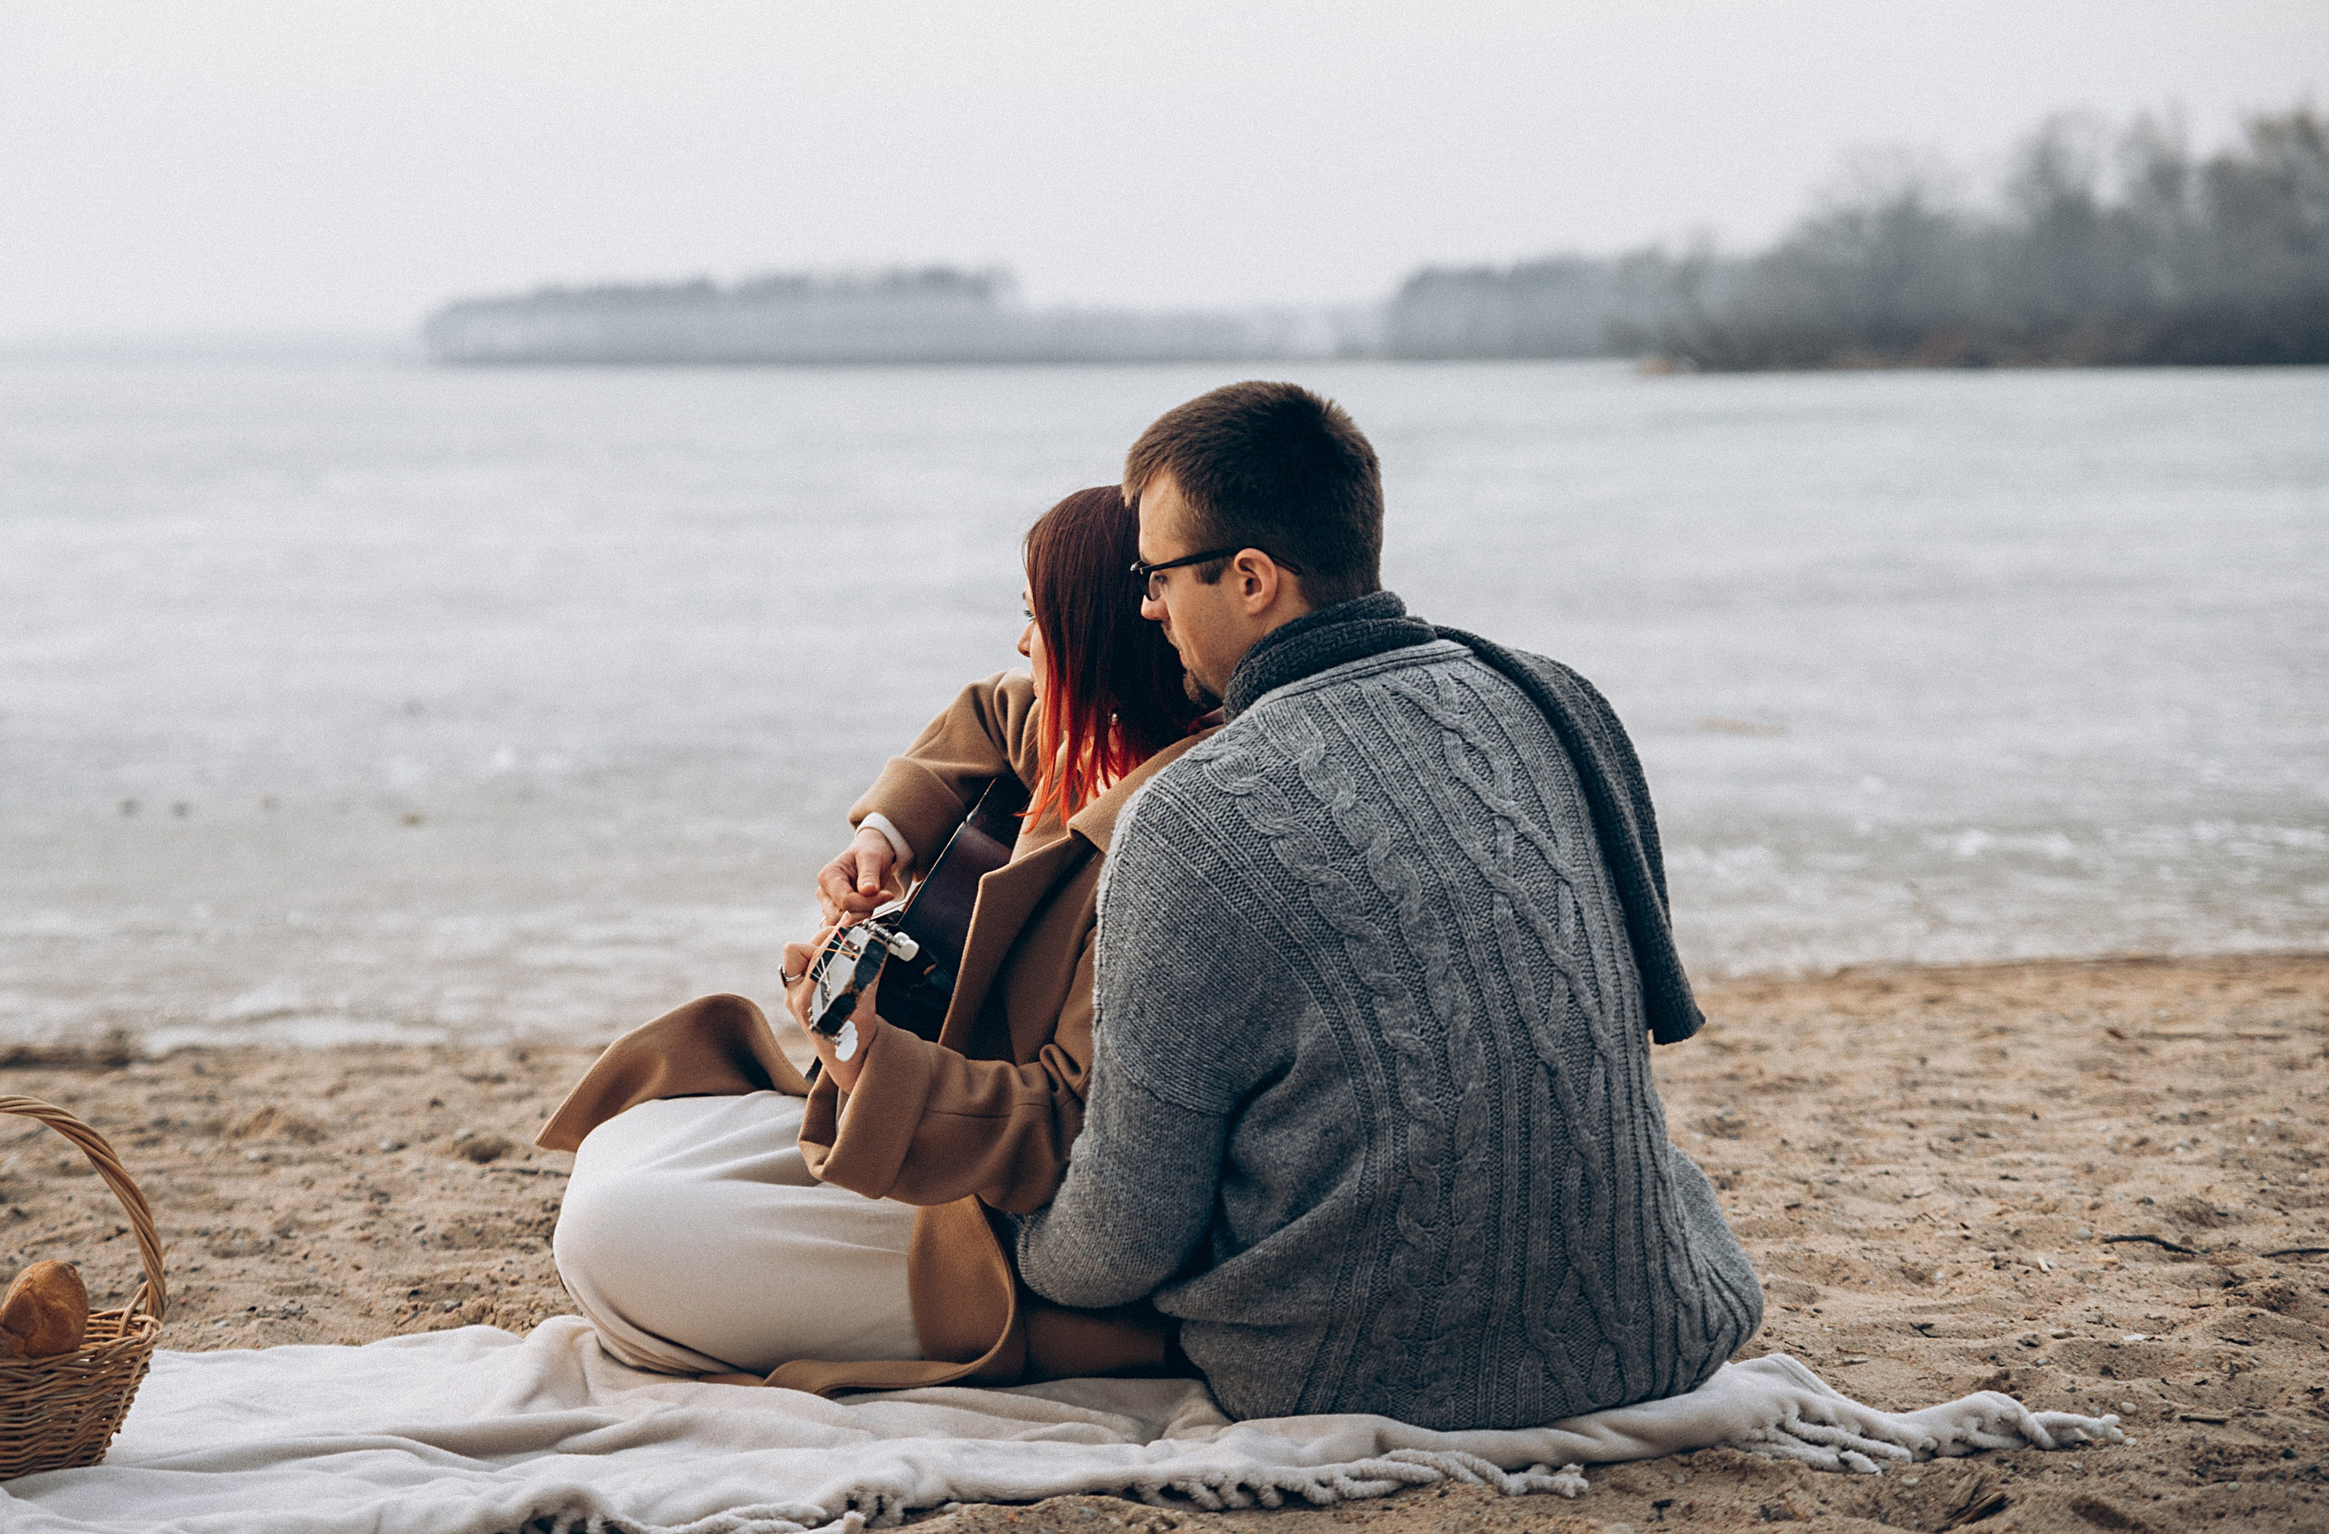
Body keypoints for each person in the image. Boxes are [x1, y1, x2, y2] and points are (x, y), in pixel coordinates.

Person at [1013, 382, 1764, 1429]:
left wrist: (1020, 1239)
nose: (1147, 607)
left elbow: (1126, 1235)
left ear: (1250, 579)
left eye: (1156, 578)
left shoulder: (1191, 819)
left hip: (1357, 1372)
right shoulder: (1554, 697)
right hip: (1657, 1325)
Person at [537, 485, 1207, 1392]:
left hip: (997, 1231)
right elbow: (989, 714)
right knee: (628, 1144)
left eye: (1037, 618)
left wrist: (858, 1054)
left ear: (1107, 636)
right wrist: (882, 837)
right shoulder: (1101, 741)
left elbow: (1068, 1129)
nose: (1021, 644)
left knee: (615, 1235)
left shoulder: (1165, 850)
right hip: (936, 1136)